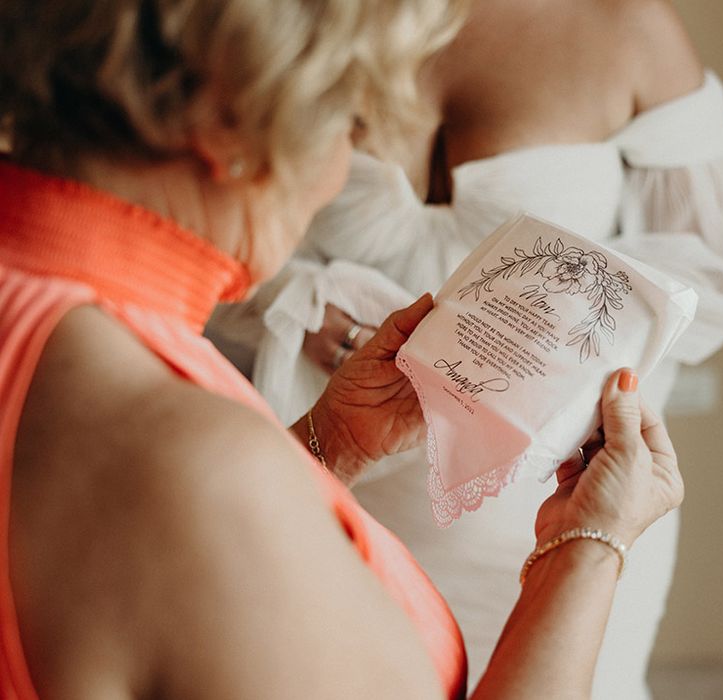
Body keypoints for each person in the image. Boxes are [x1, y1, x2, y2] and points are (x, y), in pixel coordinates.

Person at [0, 1, 687, 699]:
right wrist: (583, 551)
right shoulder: (207, 468)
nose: (336, 173)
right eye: (348, 128)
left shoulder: (45, 314)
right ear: (224, 122)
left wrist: (330, 444)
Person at [206, 0, 723, 695]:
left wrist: (562, 328)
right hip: (328, 465)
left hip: (553, 498)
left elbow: (722, 276)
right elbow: (178, 229)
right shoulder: (277, 23)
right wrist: (297, 301)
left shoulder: (625, 26)